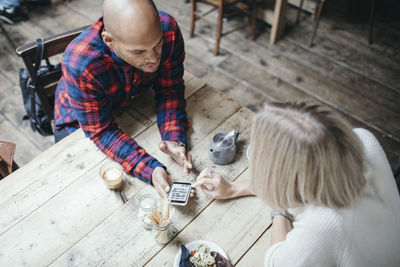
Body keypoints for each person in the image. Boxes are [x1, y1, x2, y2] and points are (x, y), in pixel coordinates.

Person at [193, 102, 400, 266]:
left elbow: (275, 260)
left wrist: (279, 209)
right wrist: (234, 188)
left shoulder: (320, 230)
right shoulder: (364, 139)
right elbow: (305, 174)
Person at [54, 0, 193, 198]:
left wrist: (173, 137)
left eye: (157, 44)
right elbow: (101, 131)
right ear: (109, 40)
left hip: (132, 104)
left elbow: (170, 89)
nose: (154, 58)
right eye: (139, 51)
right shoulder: (81, 64)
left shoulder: (168, 30)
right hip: (78, 122)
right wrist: (150, 169)